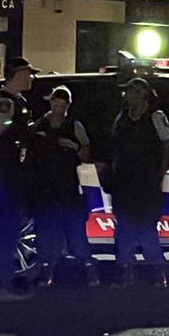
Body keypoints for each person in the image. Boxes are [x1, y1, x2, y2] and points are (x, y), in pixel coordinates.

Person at [0, 56, 39, 302]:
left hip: (12, 172)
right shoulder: (4, 103)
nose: (32, 78)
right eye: (28, 73)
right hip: (4, 173)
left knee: (10, 226)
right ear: (17, 74)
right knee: (5, 227)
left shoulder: (17, 101)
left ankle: (5, 279)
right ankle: (1, 284)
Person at [29, 86, 100, 288]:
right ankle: (46, 270)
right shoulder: (39, 125)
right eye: (55, 104)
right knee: (46, 232)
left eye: (62, 105)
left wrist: (73, 146)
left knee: (76, 232)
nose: (58, 109)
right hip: (44, 187)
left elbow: (86, 155)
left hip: (69, 187)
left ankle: (88, 268)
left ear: (68, 106)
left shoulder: (75, 126)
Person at [105, 77, 169, 288]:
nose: (127, 96)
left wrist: (159, 174)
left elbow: (167, 144)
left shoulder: (156, 117)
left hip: (147, 181)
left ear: (142, 95)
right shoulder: (122, 118)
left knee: (146, 227)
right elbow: (114, 146)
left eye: (132, 92)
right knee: (124, 227)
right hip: (125, 181)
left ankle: (156, 271)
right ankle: (125, 270)